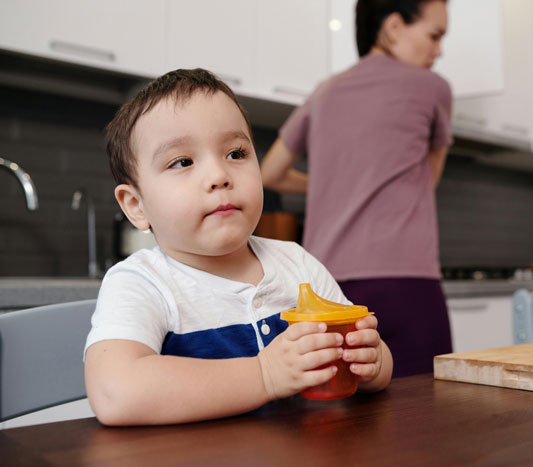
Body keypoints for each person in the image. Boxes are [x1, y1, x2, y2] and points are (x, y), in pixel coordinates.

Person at [84, 69, 393, 426]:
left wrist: (372, 361)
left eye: (235, 153)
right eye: (182, 162)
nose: (219, 176)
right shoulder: (141, 283)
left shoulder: (297, 264)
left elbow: (367, 366)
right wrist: (265, 375)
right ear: (136, 205)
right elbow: (115, 392)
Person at [260, 0, 452, 377]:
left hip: (324, 286)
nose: (439, 50)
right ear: (394, 27)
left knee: (338, 419)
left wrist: (337, 186)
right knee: (427, 410)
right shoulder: (433, 87)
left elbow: (270, 172)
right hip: (406, 280)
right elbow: (428, 180)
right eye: (434, 35)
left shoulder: (326, 90)